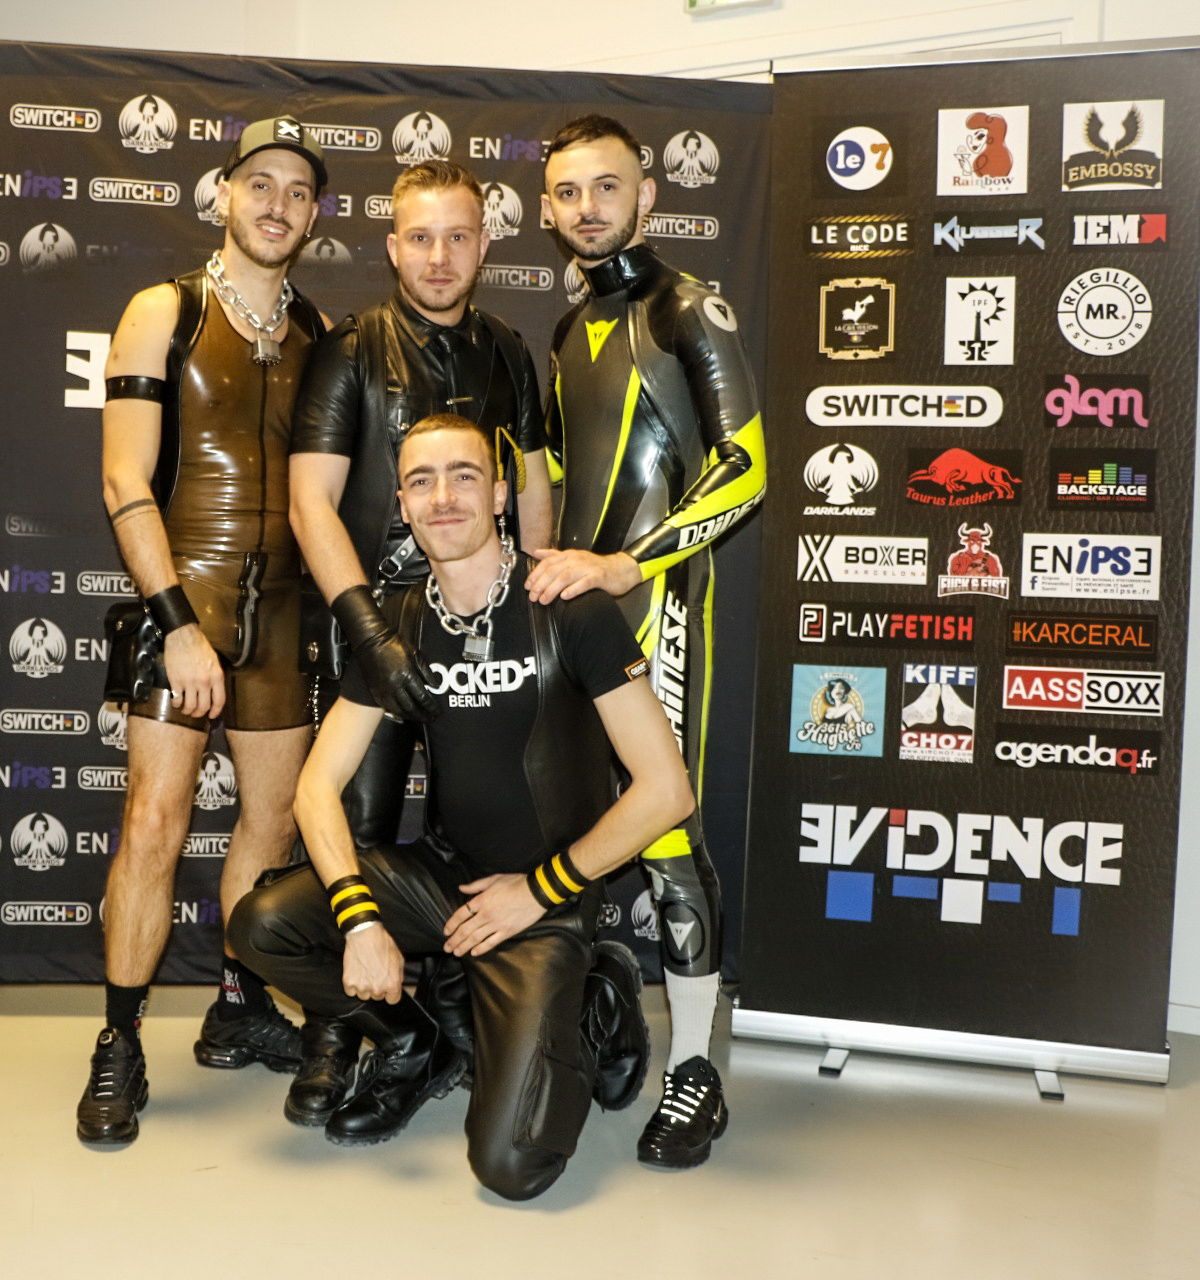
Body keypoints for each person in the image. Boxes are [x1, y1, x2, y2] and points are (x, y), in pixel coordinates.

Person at [232, 413, 694, 1200]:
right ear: (403, 506)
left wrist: (540, 890)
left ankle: (601, 1000)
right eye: (421, 481)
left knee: (512, 1167)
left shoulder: (567, 605)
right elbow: (315, 787)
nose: (442, 497)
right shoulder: (401, 621)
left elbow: (666, 789)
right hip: (444, 878)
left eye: (463, 476)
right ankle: (418, 1044)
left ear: (501, 496)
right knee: (262, 923)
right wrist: (360, 921)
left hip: (547, 899)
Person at [82, 117, 333, 1146]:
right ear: (224, 192)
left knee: (271, 831)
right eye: (260, 183)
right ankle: (119, 1039)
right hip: (183, 607)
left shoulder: (318, 328)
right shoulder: (165, 309)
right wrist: (178, 623)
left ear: (314, 216)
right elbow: (123, 480)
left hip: (284, 619)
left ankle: (236, 1005)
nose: (278, 204)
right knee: (155, 821)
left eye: (299, 191)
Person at [287, 157, 554, 1121]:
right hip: (374, 629)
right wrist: (368, 632)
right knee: (353, 833)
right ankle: (345, 1031)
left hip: (484, 629)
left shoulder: (510, 352)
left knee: (473, 835)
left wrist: (538, 609)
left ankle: (452, 1021)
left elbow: (533, 489)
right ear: (392, 247)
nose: (439, 257)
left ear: (485, 245)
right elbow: (310, 503)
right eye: (420, 238)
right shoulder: (349, 349)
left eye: (458, 237)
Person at [531, 113, 766, 1169]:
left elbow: (748, 465)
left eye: (607, 186)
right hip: (578, 617)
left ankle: (700, 1071)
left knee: (666, 835)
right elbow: (555, 479)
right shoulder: (565, 328)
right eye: (568, 192)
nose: (588, 208)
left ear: (647, 195)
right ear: (547, 210)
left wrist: (631, 566)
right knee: (567, 821)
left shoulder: (684, 308)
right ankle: (593, 1024)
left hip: (658, 606)